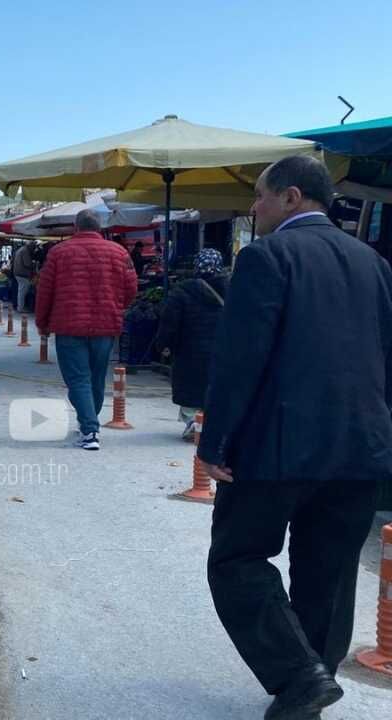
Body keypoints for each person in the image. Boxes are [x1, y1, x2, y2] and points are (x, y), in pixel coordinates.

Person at [198, 155, 392, 720]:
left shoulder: (267, 256)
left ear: (290, 196)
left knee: (236, 559)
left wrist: (215, 442)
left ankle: (299, 675)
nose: (253, 209)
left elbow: (240, 360)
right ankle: (312, 685)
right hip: (360, 446)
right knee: (328, 571)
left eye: (259, 197)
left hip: (277, 445)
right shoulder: (374, 264)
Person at [35, 209, 137, 451]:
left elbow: (44, 291)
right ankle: (87, 420)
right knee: (96, 378)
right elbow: (131, 287)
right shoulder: (119, 252)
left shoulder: (59, 253)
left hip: (69, 326)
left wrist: (42, 323)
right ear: (99, 227)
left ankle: (90, 430)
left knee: (78, 379)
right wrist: (117, 306)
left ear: (75, 226)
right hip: (106, 326)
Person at [152, 248, 228, 440]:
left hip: (189, 350)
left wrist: (163, 345)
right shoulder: (233, 290)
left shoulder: (183, 291)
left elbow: (169, 323)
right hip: (224, 350)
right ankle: (211, 425)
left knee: (191, 387)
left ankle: (193, 421)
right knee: (217, 387)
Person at [12, 240, 35, 313]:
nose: (33, 248)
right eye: (33, 247)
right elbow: (27, 263)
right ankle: (21, 307)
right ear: (30, 245)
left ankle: (20, 307)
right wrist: (33, 264)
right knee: (22, 291)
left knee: (21, 291)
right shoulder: (25, 251)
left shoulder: (21, 250)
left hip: (18, 273)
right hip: (22, 274)